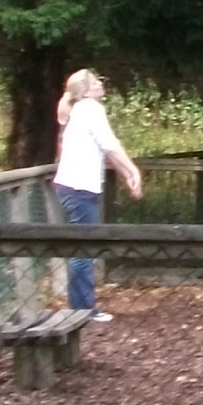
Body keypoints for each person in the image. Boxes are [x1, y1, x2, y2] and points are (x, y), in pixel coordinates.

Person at [53, 68, 142, 321]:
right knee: (85, 249)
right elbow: (109, 144)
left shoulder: (81, 110)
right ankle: (83, 309)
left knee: (85, 248)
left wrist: (128, 172)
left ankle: (81, 306)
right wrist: (131, 171)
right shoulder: (90, 108)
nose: (100, 83)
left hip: (76, 188)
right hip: (78, 189)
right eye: (94, 81)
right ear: (85, 90)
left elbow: (107, 146)